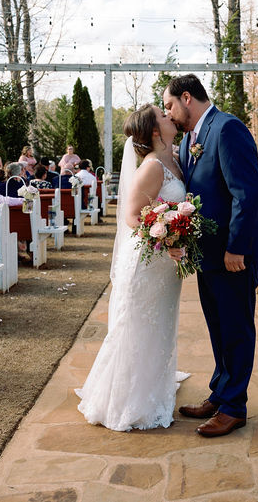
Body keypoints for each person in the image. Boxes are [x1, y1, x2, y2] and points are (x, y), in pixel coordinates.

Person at [164, 74, 258, 437]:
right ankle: (221, 391)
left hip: (233, 253)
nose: (169, 114)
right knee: (217, 325)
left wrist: (236, 248)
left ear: (186, 98)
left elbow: (247, 193)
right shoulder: (188, 141)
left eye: (169, 106)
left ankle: (234, 407)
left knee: (236, 327)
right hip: (207, 253)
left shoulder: (227, 129)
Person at [76, 104, 189, 432]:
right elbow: (132, 215)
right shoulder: (152, 166)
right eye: (164, 116)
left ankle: (153, 392)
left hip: (163, 267)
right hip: (146, 263)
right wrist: (167, 238)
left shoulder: (175, 160)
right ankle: (127, 403)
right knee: (138, 327)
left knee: (160, 327)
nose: (171, 116)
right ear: (155, 131)